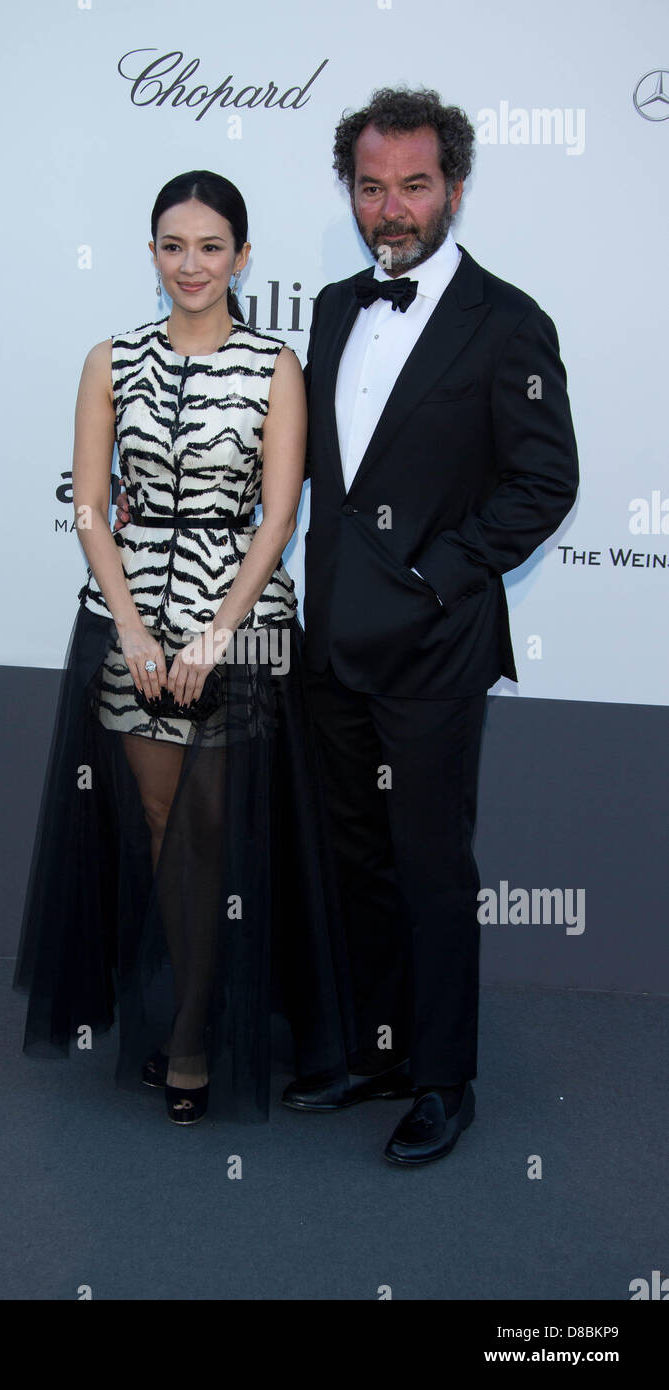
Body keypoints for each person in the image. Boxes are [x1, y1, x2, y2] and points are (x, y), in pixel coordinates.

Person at [13, 170, 355, 1125]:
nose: (191, 264)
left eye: (211, 246)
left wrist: (216, 632)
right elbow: (90, 507)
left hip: (243, 630)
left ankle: (197, 1031)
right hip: (125, 627)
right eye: (173, 245)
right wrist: (128, 625)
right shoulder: (109, 360)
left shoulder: (275, 364)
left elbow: (278, 518)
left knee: (216, 836)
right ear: (152, 253)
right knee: (162, 836)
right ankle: (181, 1009)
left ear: (243, 256)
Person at [280, 87, 580, 1163]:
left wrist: (433, 572)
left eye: (412, 185)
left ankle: (443, 1080)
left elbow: (545, 481)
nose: (390, 208)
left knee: (428, 864)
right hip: (330, 649)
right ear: (350, 192)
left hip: (432, 646)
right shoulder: (327, 307)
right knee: (352, 857)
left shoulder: (507, 322)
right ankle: (377, 1049)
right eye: (370, 186)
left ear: (453, 187)